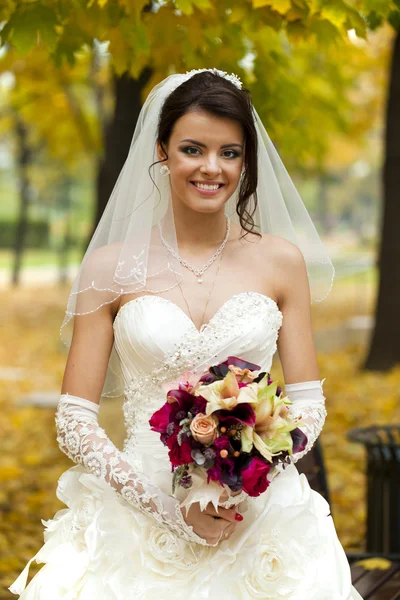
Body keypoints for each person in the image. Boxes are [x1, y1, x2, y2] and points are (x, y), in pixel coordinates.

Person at [9, 69, 363, 599]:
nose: (211, 168)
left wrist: (247, 476)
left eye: (230, 153)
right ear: (163, 151)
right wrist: (168, 510)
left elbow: (310, 402)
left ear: (246, 160)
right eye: (193, 148)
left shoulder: (282, 262)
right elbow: (75, 419)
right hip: (138, 508)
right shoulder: (108, 269)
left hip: (260, 512)